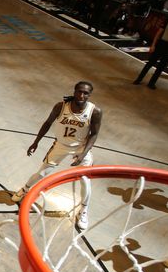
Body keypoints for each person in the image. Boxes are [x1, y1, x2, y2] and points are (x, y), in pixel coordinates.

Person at [11, 81, 103, 231]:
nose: (81, 95)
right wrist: (36, 142)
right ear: (74, 91)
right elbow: (47, 123)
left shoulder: (95, 111)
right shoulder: (61, 106)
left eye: (85, 93)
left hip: (81, 148)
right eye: (79, 91)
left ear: (89, 95)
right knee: (42, 173)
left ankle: (83, 211)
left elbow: (94, 134)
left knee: (85, 180)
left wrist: (83, 154)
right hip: (60, 145)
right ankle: (25, 190)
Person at [133, 3, 168, 89]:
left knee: (161, 66)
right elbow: (159, 32)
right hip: (162, 43)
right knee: (150, 63)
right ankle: (139, 79)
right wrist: (153, 45)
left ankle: (152, 83)